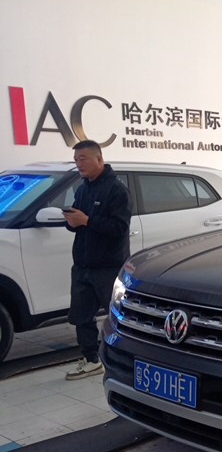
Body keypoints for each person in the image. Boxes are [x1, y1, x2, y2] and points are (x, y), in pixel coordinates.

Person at [63, 140, 131, 380]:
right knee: (81, 317)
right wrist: (72, 222)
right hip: (82, 265)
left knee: (119, 317)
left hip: (108, 267)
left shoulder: (117, 190)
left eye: (83, 159)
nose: (78, 164)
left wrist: (87, 221)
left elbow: (119, 228)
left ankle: (126, 361)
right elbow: (78, 222)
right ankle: (91, 360)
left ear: (99, 159)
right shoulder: (82, 190)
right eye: (76, 160)